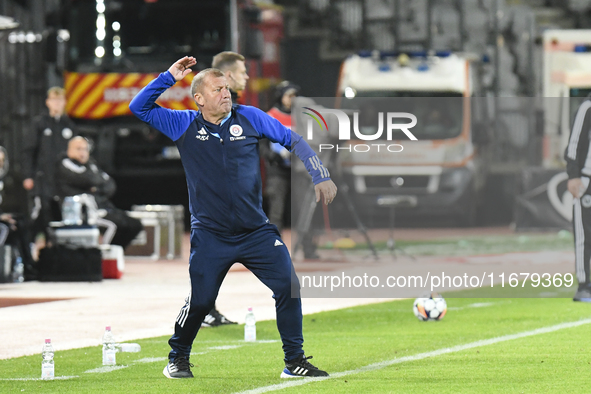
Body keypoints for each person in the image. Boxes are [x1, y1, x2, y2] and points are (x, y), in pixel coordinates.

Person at [130, 57, 337, 379]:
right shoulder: (183, 123)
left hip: (256, 231)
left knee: (289, 287)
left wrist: (319, 173)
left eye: (227, 88)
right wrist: (169, 76)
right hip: (211, 235)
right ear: (198, 98)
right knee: (201, 303)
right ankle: (178, 357)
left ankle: (294, 360)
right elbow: (139, 107)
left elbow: (293, 139)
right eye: (217, 89)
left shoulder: (250, 117)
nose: (226, 94)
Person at [56, 137, 143, 249]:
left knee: (134, 224)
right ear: (69, 150)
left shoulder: (91, 164)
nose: (82, 152)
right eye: (78, 149)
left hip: (103, 208)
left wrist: (95, 187)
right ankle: (103, 253)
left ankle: (113, 252)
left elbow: (110, 185)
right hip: (83, 212)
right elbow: (86, 179)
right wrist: (96, 184)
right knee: (114, 224)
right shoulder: (65, 163)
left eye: (85, 149)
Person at [22, 87, 77, 238]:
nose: (57, 103)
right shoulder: (39, 124)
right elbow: (29, 151)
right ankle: (33, 243)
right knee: (41, 212)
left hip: (62, 180)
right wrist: (28, 175)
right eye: (54, 100)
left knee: (61, 213)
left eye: (60, 100)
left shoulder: (69, 126)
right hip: (42, 179)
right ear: (48, 102)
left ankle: (58, 245)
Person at [263, 81, 299, 234]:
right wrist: (272, 156)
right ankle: (276, 247)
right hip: (277, 171)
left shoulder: (302, 116)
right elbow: (261, 145)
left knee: (304, 211)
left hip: (299, 170)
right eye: (289, 95)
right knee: (277, 211)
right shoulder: (270, 116)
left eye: (295, 96)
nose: (293, 99)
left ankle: (308, 249)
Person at [565, 98, 591, 302]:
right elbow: (574, 144)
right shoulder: (587, 107)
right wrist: (573, 175)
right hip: (587, 180)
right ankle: (584, 285)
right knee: (585, 233)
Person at [0, 147, 36, 279]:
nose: (1, 164)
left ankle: (28, 266)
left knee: (20, 223)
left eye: (2, 160)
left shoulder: (3, 182)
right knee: (8, 226)